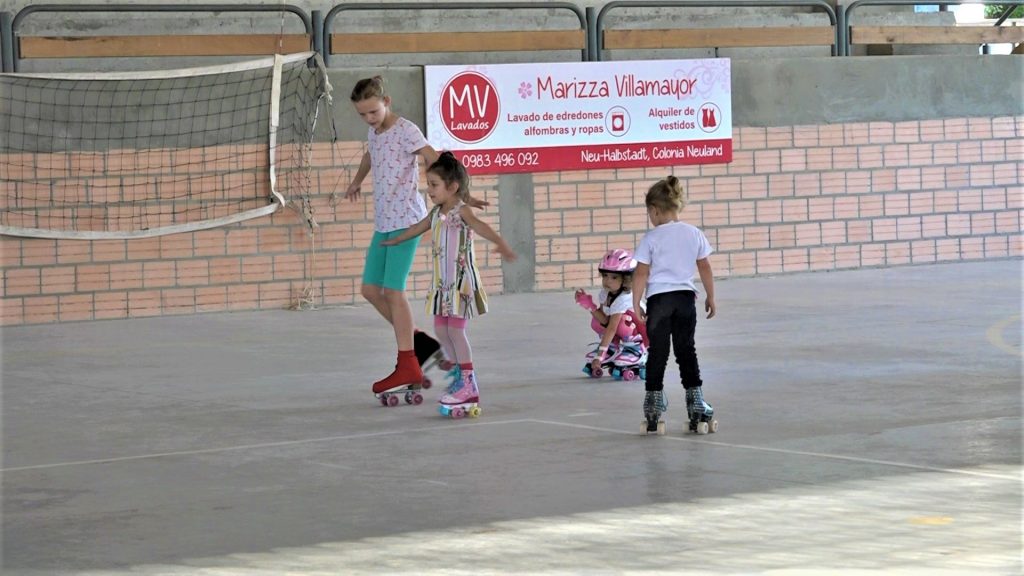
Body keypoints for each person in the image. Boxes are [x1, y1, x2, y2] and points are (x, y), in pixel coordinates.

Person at [345, 76, 486, 397]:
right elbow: (370, 154)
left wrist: (458, 192)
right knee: (370, 289)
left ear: (387, 101)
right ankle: (419, 341)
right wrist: (356, 181)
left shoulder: (406, 130)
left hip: (407, 221)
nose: (369, 119)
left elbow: (433, 157)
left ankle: (407, 360)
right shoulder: (374, 131)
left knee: (393, 291)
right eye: (362, 115)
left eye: (373, 112)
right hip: (383, 222)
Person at [381, 152, 517, 417]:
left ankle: (468, 383)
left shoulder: (460, 211)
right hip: (443, 284)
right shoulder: (436, 213)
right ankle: (458, 370)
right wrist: (396, 241)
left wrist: (500, 242)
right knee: (440, 328)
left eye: (433, 185)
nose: (429, 190)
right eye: (428, 184)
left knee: (455, 331)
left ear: (452, 187)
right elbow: (418, 227)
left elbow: (479, 225)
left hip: (460, 283)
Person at [632, 175, 719, 435]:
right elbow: (705, 266)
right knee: (686, 351)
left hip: (659, 301)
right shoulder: (694, 233)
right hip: (685, 300)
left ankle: (653, 404)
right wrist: (711, 296)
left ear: (654, 210)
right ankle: (696, 401)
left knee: (658, 353)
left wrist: (636, 303)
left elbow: (640, 273)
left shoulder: (651, 238)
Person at [574, 249, 648, 379]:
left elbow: (612, 327)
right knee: (596, 321)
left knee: (621, 323)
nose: (608, 281)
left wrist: (600, 356)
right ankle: (613, 347)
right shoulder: (605, 293)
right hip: (619, 329)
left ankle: (636, 349)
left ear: (626, 280)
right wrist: (590, 306)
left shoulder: (625, 298)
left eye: (614, 277)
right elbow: (604, 321)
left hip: (640, 331)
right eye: (605, 276)